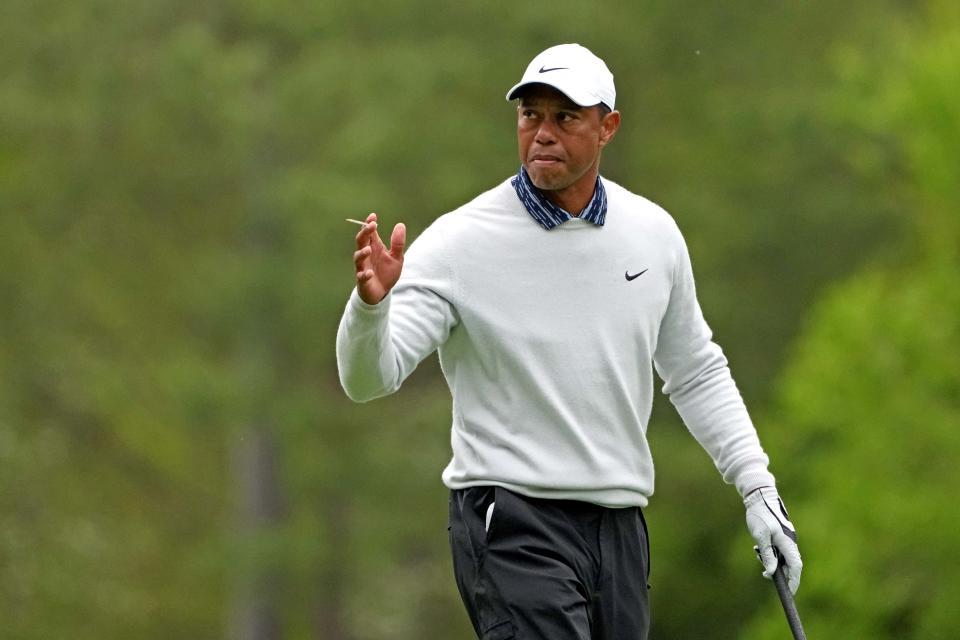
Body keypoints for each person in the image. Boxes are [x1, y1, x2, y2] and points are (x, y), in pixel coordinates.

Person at [336, 43, 802, 640]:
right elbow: (369, 379)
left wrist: (757, 486)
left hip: (620, 526)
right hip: (512, 521)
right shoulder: (459, 243)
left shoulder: (653, 235)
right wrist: (371, 308)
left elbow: (695, 371)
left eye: (566, 117)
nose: (543, 134)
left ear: (608, 127)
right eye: (531, 115)